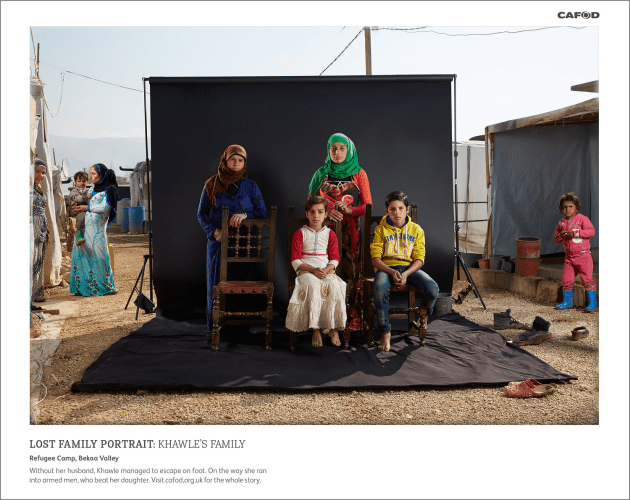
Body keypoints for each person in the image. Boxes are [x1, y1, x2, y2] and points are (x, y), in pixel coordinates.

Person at [197, 144, 267, 334]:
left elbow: (262, 213)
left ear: (244, 163)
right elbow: (201, 214)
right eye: (232, 159)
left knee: (242, 285)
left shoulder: (250, 186)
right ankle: (217, 328)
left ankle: (241, 328)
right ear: (225, 161)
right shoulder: (211, 184)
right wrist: (215, 232)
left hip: (245, 244)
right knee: (218, 285)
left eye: (240, 160)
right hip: (219, 245)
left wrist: (245, 215)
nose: (236, 163)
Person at [308, 132, 372, 331]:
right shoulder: (321, 173)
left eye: (342, 148)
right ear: (328, 150)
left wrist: (350, 210)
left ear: (349, 150)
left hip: (350, 234)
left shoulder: (358, 173)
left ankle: (350, 322)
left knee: (350, 275)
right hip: (324, 233)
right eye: (333, 148)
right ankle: (325, 324)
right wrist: (327, 213)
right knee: (325, 274)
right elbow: (310, 203)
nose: (337, 152)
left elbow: (368, 207)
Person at [370, 191, 439, 351]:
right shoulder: (381, 230)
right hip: (386, 268)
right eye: (392, 209)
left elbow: (420, 258)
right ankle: (385, 332)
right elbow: (375, 259)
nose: (397, 213)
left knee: (433, 288)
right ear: (387, 211)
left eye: (400, 208)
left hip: (409, 269)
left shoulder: (416, 230)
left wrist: (406, 274)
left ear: (407, 209)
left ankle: (424, 314)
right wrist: (391, 271)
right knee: (379, 288)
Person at [285, 197, 347, 347]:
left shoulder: (330, 234)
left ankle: (332, 328)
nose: (316, 216)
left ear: (326, 214)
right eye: (312, 212)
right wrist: (313, 270)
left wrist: (326, 270)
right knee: (313, 286)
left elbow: (335, 258)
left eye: (320, 212)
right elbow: (295, 260)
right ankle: (316, 329)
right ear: (307, 214)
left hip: (325, 271)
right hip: (306, 271)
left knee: (335, 285)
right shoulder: (300, 233)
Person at [69, 163, 118, 296]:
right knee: (82, 255)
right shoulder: (92, 189)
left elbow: (105, 208)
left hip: (97, 231)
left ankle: (104, 286)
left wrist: (86, 208)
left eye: (93, 174)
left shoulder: (110, 189)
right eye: (90, 174)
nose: (90, 177)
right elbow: (83, 203)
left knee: (99, 256)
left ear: (101, 175)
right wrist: (77, 209)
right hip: (84, 229)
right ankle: (82, 287)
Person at [553, 192, 597, 311]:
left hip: (583, 256)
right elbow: (556, 238)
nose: (567, 209)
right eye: (564, 207)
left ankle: (593, 304)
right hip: (569, 258)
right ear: (561, 209)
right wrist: (561, 235)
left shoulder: (582, 219)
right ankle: (567, 302)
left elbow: (591, 232)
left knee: (587, 280)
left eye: (570, 206)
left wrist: (576, 233)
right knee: (566, 280)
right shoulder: (561, 223)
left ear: (576, 208)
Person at [32, 159, 49, 303]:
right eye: (37, 171)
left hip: (41, 227)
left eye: (43, 172)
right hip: (32, 229)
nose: (40, 175)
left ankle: (37, 292)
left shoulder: (38, 188)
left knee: (39, 259)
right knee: (32, 260)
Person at [68, 171, 91, 246]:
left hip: (86, 208)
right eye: (79, 181)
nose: (82, 183)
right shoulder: (73, 191)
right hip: (77, 210)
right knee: (82, 216)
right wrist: (86, 197)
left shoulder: (88, 190)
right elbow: (77, 199)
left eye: (84, 181)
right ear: (75, 182)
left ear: (87, 182)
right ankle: (78, 233)